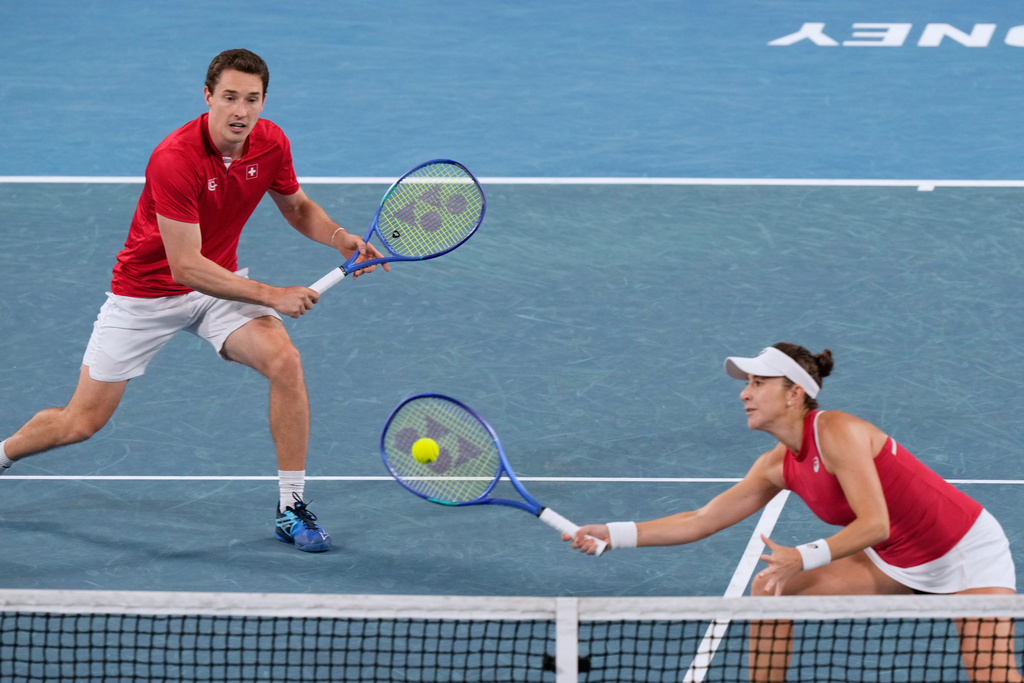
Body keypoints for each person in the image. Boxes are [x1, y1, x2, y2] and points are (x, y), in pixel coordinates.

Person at [0, 49, 388, 553]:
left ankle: (290, 507)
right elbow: (185, 267)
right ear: (208, 96)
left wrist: (338, 236)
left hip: (219, 288)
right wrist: (273, 295)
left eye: (252, 99)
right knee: (80, 423)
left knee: (285, 361)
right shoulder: (175, 158)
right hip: (146, 295)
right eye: (230, 97)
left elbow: (296, 207)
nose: (240, 111)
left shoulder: (271, 143)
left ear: (264, 102)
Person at [567, 343, 1020, 682]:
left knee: (992, 674)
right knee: (770, 589)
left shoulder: (838, 430)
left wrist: (803, 557)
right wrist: (614, 533)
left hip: (965, 552)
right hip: (897, 560)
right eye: (747, 383)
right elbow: (701, 520)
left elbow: (875, 523)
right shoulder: (776, 465)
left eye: (757, 383)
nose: (744, 394)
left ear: (794, 393)